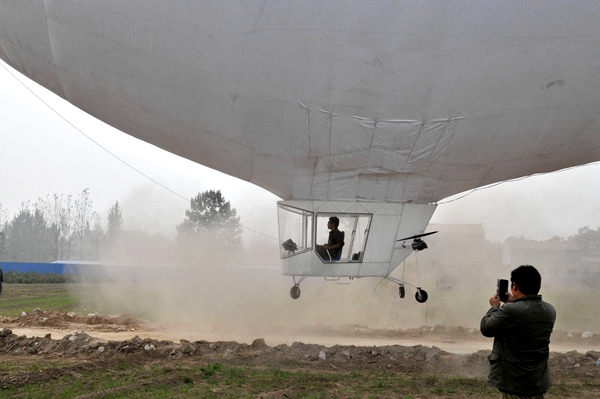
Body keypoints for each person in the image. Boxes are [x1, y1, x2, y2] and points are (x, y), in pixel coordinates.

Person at [480, 265, 556, 399]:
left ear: (514, 286)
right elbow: (526, 313)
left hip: (514, 384)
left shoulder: (510, 311)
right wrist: (513, 302)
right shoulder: (550, 310)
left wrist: (494, 307)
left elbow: (486, 328)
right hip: (537, 382)